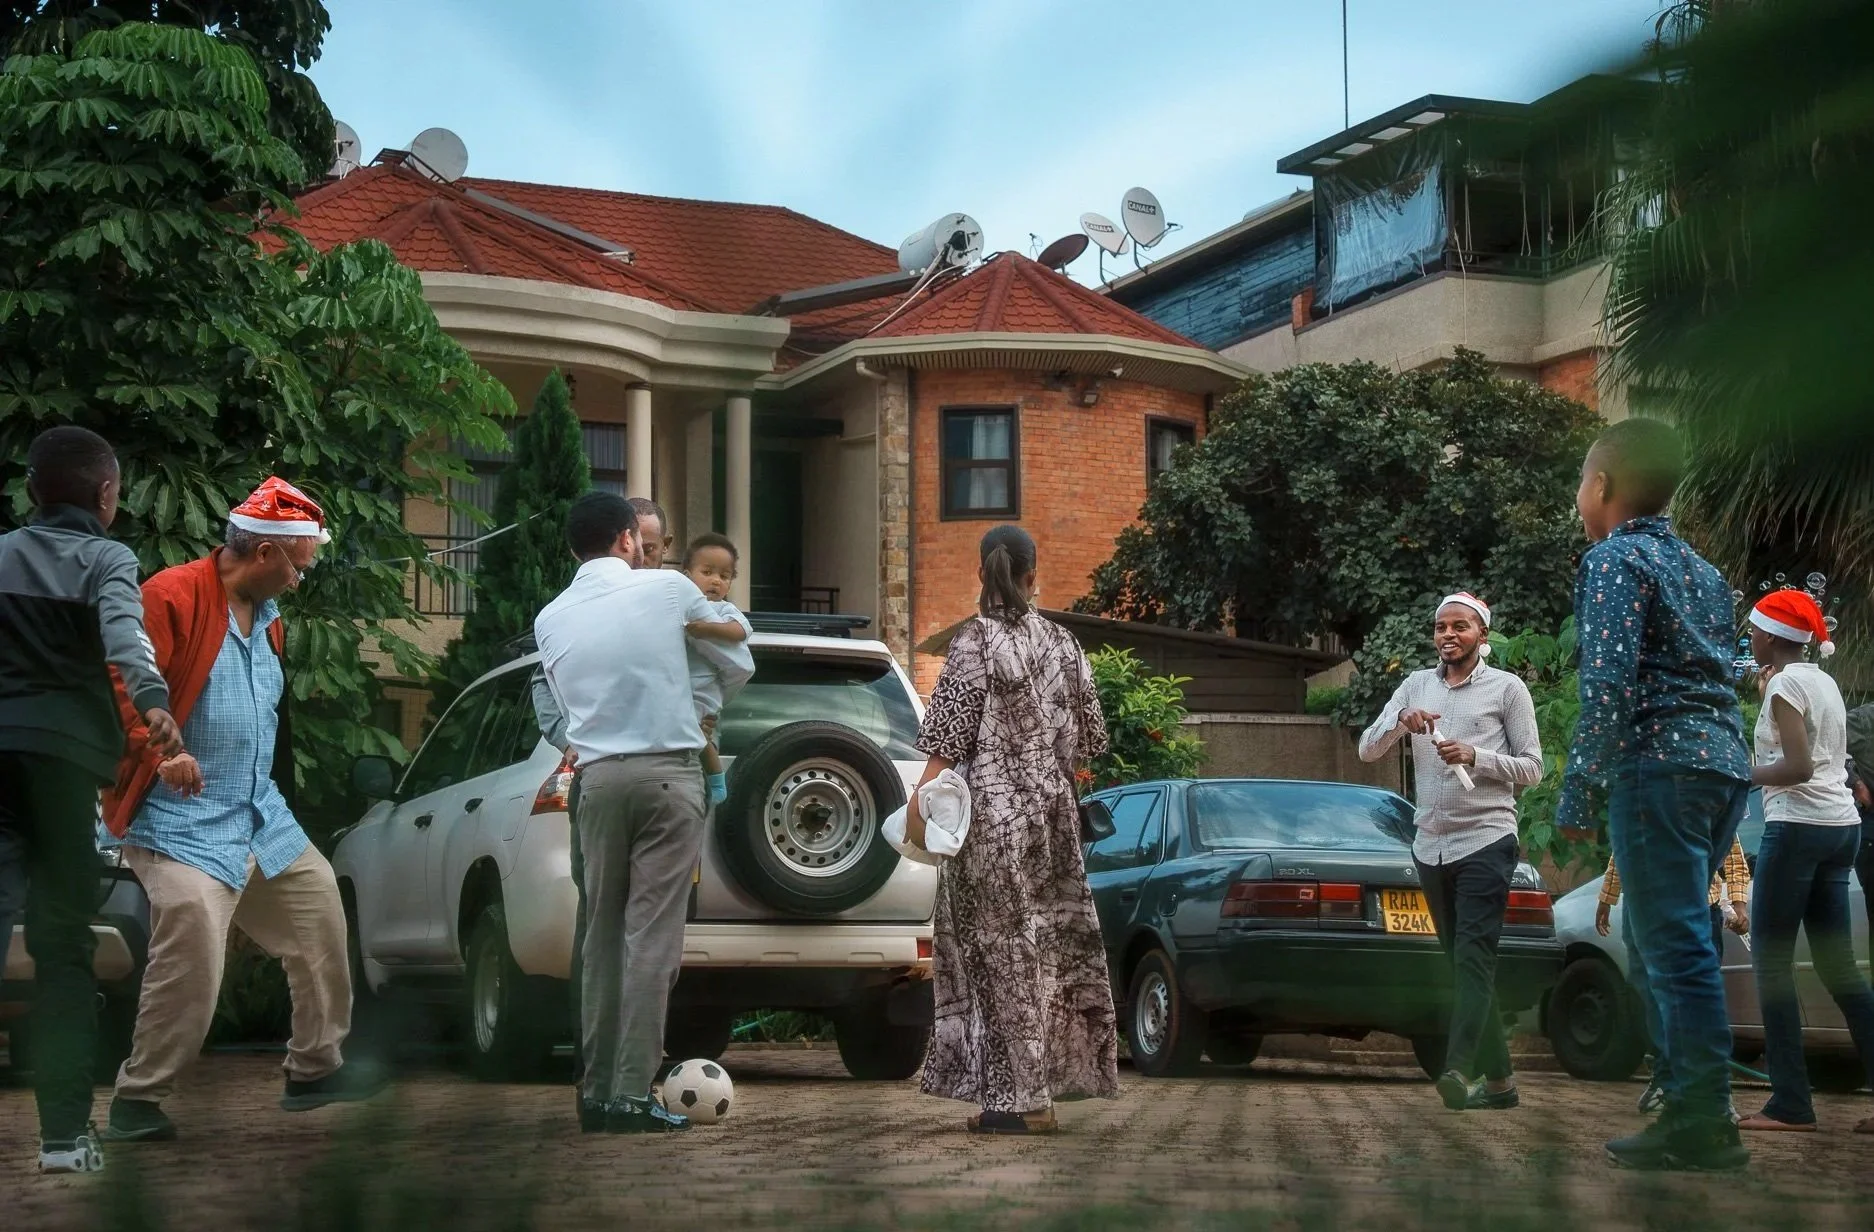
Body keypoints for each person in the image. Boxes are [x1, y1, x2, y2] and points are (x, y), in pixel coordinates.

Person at [98, 479, 387, 1145]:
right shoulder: (169, 595)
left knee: (319, 917)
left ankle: (314, 1070)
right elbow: (120, 680)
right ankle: (138, 1100)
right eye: (298, 567)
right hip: (177, 820)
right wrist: (159, 749)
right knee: (194, 939)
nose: (299, 580)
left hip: (259, 811)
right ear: (262, 554)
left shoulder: (270, 619)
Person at [1557, 418, 1753, 1172]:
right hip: (1720, 765)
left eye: (1582, 481)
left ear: (1601, 486)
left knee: (1671, 945)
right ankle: (1688, 1098)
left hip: (1659, 767)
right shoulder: (1703, 572)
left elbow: (1606, 683)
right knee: (1674, 937)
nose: (1580, 497)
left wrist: (1578, 794)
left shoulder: (1615, 560)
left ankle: (1703, 1119)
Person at [0, 426, 180, 1174]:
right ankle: (65, 1141)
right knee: (63, 946)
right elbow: (124, 634)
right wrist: (153, 700)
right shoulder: (108, 558)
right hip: (65, 765)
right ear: (107, 495)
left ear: (33, 491)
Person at [534, 492, 743, 1134]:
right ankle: (630, 1093)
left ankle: (595, 1094)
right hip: (666, 776)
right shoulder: (668, 591)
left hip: (596, 782)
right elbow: (734, 659)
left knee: (599, 940)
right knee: (650, 940)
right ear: (629, 539)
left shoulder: (550, 616)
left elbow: (563, 712)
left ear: (574, 547)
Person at [909, 525, 1117, 1134]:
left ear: (982, 574)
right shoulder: (1065, 643)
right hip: (1052, 825)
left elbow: (947, 736)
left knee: (999, 961)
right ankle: (1035, 1096)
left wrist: (921, 798)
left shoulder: (975, 642)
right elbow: (1093, 740)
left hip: (992, 825)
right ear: (1033, 574)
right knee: (1046, 956)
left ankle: (1024, 1106)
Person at [1358, 592, 1543, 1112]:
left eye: (1460, 626)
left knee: (1473, 961)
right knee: (1460, 965)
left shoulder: (1508, 689)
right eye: (1441, 627)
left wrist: (1476, 756)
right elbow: (1367, 749)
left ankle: (1458, 1069)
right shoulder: (1416, 685)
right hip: (1431, 845)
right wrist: (1402, 721)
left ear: (1482, 636)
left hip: (1486, 837)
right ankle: (1502, 1084)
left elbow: (1533, 767)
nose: (1448, 635)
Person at [530, 497, 673, 1073]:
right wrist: (597, 737)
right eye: (642, 540)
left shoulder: (673, 608)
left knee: (660, 930)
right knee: (604, 923)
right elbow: (551, 705)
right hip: (603, 777)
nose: (648, 553)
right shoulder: (569, 616)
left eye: (658, 545)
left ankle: (644, 1057)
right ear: (623, 541)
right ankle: (602, 1065)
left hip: (674, 783)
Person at [1732, 589, 1874, 1135]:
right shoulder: (1820, 679)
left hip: (1797, 830)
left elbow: (1793, 768)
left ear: (1771, 636)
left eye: (1754, 631)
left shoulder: (1786, 684)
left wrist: (1738, 772)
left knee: (1770, 966)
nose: (1750, 638)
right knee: (1839, 970)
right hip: (1841, 830)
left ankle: (1791, 1104)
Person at [1596, 838, 1751, 1116]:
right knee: (1650, 995)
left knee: (1698, 998)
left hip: (1697, 905)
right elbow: (1624, 843)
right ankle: (1666, 1078)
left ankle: (1713, 1092)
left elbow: (1732, 851)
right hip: (1642, 906)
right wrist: (1608, 896)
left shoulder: (1705, 795)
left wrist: (1739, 904)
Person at [680, 533, 753, 807]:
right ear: (687, 575)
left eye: (724, 576)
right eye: (707, 572)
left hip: (706, 687)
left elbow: (739, 631)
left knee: (700, 735)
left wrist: (705, 629)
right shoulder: (678, 607)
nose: (715, 581)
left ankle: (716, 781)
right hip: (683, 687)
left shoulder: (724, 609)